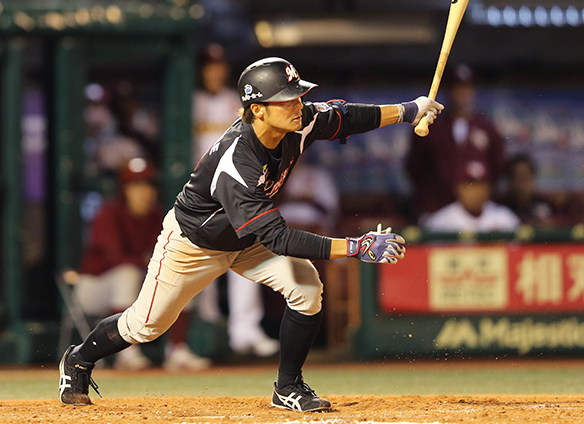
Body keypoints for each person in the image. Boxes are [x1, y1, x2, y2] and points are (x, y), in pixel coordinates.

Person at [58, 57, 442, 411]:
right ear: (258, 110)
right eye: (287, 99)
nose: (298, 104)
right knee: (145, 325)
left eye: (297, 95)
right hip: (195, 245)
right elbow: (279, 238)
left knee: (306, 286)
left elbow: (345, 116)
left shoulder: (298, 121)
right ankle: (78, 359)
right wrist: (356, 247)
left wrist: (408, 110)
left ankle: (288, 387)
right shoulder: (237, 161)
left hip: (246, 239)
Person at [74, 158, 210, 371]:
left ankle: (177, 351)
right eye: (135, 186)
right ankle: (126, 352)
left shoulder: (157, 216)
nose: (143, 192)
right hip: (94, 289)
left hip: (137, 285)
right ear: (124, 190)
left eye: (148, 185)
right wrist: (148, 262)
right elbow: (115, 258)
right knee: (127, 274)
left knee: (180, 274)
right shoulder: (108, 213)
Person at [193, 44, 279, 357]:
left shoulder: (237, 101)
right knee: (202, 261)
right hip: (201, 192)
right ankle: (208, 331)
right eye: (209, 66)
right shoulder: (188, 102)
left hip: (237, 188)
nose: (215, 72)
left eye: (219, 66)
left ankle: (246, 331)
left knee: (247, 255)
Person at [406, 64, 506, 224]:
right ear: (448, 91)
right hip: (438, 210)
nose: (462, 93)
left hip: (476, 215)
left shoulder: (486, 127)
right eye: (457, 88)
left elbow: (497, 167)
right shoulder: (430, 126)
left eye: (466, 88)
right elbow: (415, 168)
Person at [423, 160, 520, 233]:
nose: (475, 191)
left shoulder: (505, 217)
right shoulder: (441, 221)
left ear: (489, 189)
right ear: (458, 188)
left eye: (480, 185)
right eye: (470, 185)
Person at [497, 154, 562, 227]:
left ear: (533, 178)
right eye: (517, 177)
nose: (522, 183)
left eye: (525, 177)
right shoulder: (500, 207)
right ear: (509, 181)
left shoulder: (545, 205)